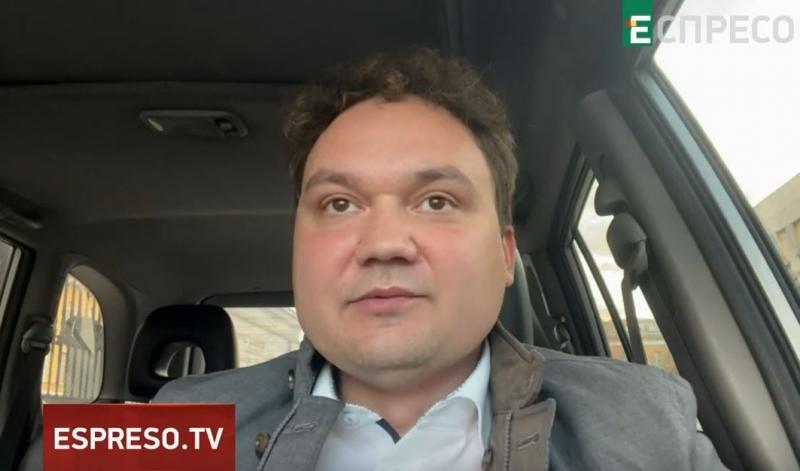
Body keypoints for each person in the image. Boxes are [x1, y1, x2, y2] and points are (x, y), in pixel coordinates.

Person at [155, 48, 728, 471]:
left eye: (436, 201)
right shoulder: (170, 426)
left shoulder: (647, 426)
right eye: (339, 204)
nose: (384, 243)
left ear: (505, 254)